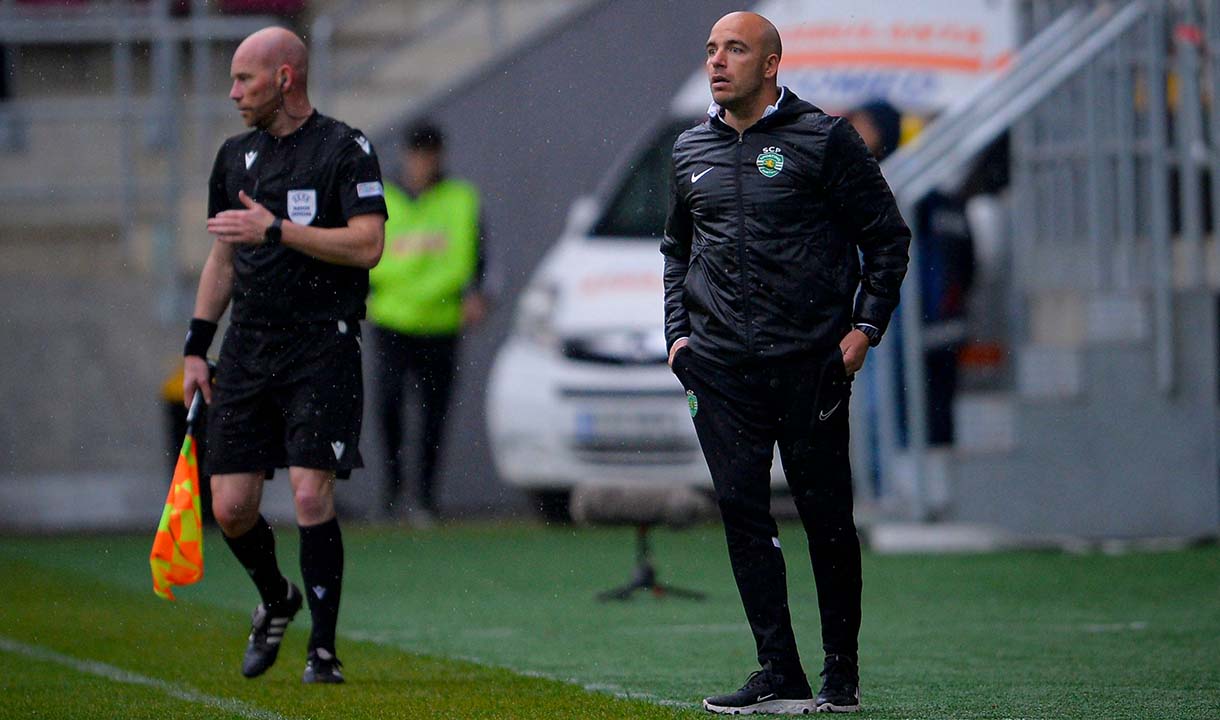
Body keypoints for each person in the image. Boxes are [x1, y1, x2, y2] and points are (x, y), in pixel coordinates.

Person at [662, 12, 910, 715]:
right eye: (710, 49)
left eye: (734, 49)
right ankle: (779, 670)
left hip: (811, 365)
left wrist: (863, 331)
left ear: (771, 64)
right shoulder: (687, 151)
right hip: (718, 370)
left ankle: (841, 674)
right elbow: (676, 251)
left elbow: (887, 238)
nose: (718, 61)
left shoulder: (825, 140)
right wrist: (678, 337)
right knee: (742, 513)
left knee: (826, 519)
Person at [182, 26, 387, 684]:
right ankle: (277, 598)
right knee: (231, 507)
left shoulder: (344, 148)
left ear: (285, 79)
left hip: (320, 343)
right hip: (247, 348)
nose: (233, 91)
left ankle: (322, 652)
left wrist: (278, 229)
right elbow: (222, 256)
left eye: (244, 79)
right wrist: (196, 347)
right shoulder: (233, 156)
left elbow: (367, 245)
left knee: (307, 492)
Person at [367, 121, 488, 523]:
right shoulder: (382, 196)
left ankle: (425, 497)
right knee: (388, 407)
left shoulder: (460, 198)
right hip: (393, 319)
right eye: (417, 155)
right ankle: (393, 489)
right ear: (406, 155)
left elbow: (475, 259)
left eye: (429, 155)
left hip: (440, 323)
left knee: (434, 413)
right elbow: (366, 254)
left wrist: (473, 294)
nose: (422, 164)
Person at [846, 102, 976, 447]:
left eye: (861, 123)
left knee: (890, 399)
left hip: (900, 312)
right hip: (880, 309)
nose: (853, 132)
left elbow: (949, 261)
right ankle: (885, 477)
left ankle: (892, 480)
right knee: (880, 400)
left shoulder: (907, 189)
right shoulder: (864, 183)